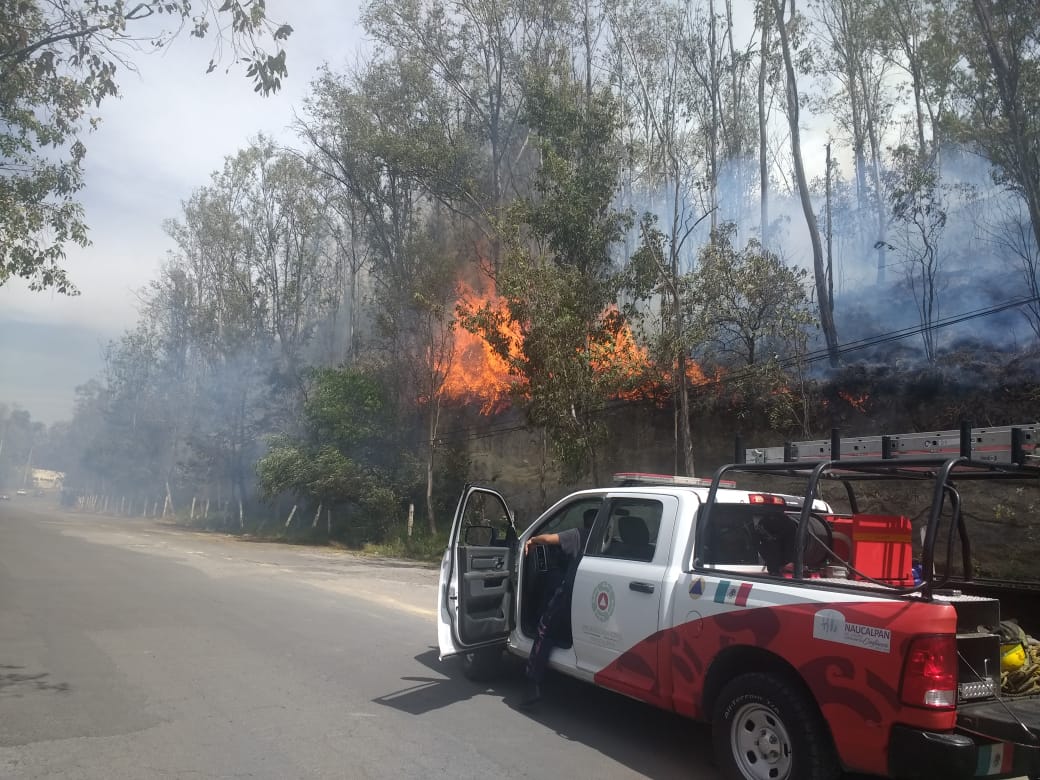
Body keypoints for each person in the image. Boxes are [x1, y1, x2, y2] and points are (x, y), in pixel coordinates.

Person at [521, 507, 597, 706]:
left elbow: (548, 540)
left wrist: (532, 540)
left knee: (545, 629)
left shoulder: (579, 535)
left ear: (586, 523)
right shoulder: (610, 541)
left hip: (571, 593)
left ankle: (532, 684)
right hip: (590, 594)